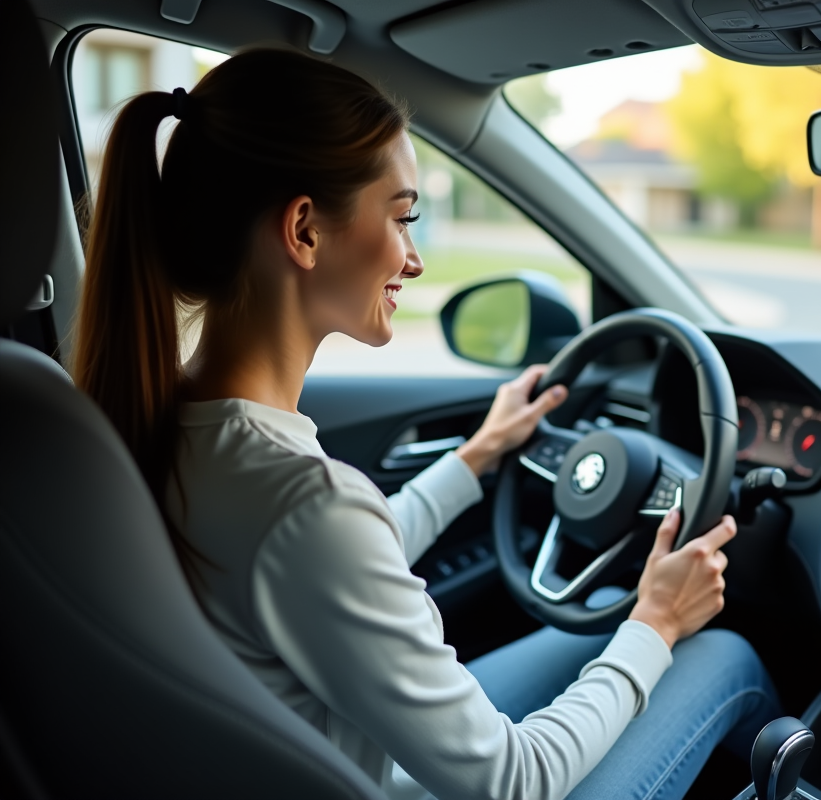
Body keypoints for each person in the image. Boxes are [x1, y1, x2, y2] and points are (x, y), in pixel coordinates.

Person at [72, 48, 780, 800]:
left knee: (607, 643)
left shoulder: (162, 425)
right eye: (402, 217)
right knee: (719, 655)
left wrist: (474, 459)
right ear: (305, 231)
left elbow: (324, 568)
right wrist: (659, 622)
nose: (412, 258)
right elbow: (513, 780)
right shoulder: (303, 501)